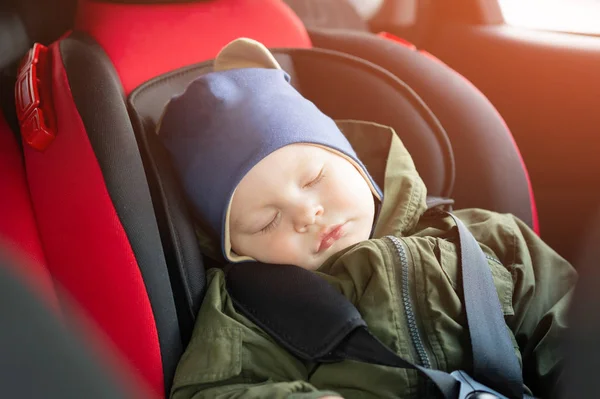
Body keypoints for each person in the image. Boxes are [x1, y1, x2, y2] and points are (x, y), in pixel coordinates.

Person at [157, 38, 576, 399]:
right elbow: (213, 389)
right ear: (238, 251)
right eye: (267, 221)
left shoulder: (483, 238)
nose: (307, 213)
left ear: (354, 161)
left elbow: (571, 334)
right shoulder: (252, 312)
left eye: (315, 178)